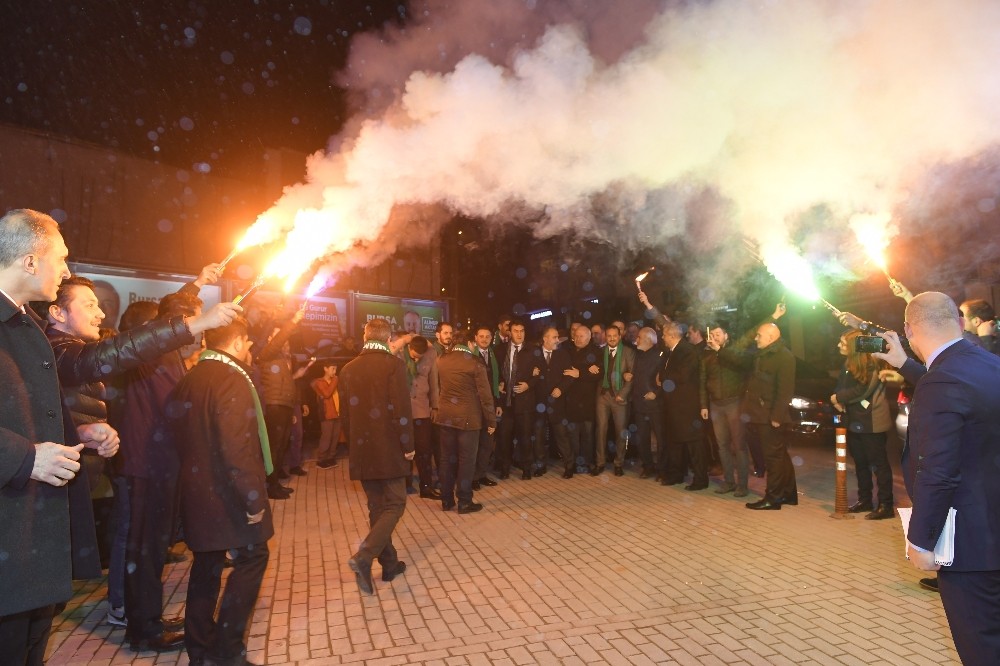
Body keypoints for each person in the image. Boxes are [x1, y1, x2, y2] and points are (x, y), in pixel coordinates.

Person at [884, 292, 1000, 664]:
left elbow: (937, 470)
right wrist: (904, 364)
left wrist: (921, 540)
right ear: (960, 323)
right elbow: (960, 390)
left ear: (908, 330)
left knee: (981, 647)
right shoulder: (988, 364)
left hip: (972, 548)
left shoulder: (941, 382)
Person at [169, 316, 273, 666]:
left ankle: (199, 648)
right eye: (248, 343)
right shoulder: (231, 379)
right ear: (238, 340)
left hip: (198, 490)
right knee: (253, 558)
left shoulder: (191, 377)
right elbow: (237, 446)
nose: (250, 349)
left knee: (207, 565)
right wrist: (253, 498)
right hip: (226, 492)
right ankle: (228, 650)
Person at [338, 318, 415, 595]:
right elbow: (401, 410)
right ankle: (364, 556)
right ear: (388, 337)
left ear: (365, 335)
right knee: (395, 504)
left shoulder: (347, 369)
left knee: (376, 507)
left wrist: (353, 447)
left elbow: (344, 416)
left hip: (363, 450)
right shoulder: (393, 365)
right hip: (390, 447)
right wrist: (408, 444)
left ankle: (390, 564)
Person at [831, 330, 894, 520]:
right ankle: (865, 500)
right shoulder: (849, 364)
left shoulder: (871, 364)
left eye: (842, 343)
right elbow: (842, 386)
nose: (838, 346)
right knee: (860, 463)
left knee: (878, 464)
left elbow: (863, 390)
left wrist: (838, 398)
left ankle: (886, 505)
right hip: (856, 420)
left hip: (872, 420)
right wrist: (837, 397)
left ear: (853, 347)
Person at [433, 329, 495, 513]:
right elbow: (485, 396)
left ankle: (446, 500)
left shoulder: (441, 360)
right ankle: (464, 501)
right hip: (469, 419)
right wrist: (491, 421)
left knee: (446, 460)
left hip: (445, 418)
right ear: (470, 343)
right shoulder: (476, 363)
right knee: (466, 461)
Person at [742, 306, 797, 510]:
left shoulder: (784, 356)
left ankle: (773, 498)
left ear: (772, 337)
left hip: (770, 416)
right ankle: (788, 494)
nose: (756, 338)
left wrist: (776, 416)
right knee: (780, 456)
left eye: (759, 335)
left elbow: (785, 390)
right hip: (760, 414)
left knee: (773, 458)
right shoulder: (763, 354)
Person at [701, 323, 751, 496]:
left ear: (726, 336)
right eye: (712, 335)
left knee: (739, 445)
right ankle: (729, 481)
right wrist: (703, 405)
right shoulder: (706, 356)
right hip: (716, 405)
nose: (714, 337)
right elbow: (703, 382)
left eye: (718, 334)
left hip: (734, 403)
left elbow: (741, 363)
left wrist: (720, 351)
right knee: (722, 445)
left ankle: (743, 484)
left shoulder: (734, 351)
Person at [658, 321, 705, 489]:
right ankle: (676, 474)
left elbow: (683, 375)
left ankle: (701, 479)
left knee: (694, 443)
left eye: (664, 335)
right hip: (672, 404)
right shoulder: (669, 352)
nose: (662, 337)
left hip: (686, 405)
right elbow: (663, 374)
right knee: (674, 441)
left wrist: (664, 378)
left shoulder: (687, 351)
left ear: (672, 335)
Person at [496, 320, 541, 479]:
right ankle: (504, 469)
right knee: (504, 437)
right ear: (510, 332)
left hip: (525, 401)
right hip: (506, 402)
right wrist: (500, 382)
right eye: (516, 331)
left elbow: (540, 374)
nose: (519, 334)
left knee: (525, 437)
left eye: (522, 330)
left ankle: (527, 469)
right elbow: (497, 373)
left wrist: (528, 384)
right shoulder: (500, 351)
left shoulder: (533, 350)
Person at [593, 324, 636, 476]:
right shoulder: (600, 352)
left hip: (620, 396)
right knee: (601, 430)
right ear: (606, 336)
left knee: (620, 431)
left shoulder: (628, 352)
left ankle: (619, 463)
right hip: (603, 395)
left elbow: (631, 376)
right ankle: (600, 463)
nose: (611, 338)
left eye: (614, 336)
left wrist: (622, 394)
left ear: (620, 336)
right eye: (609, 336)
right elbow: (595, 370)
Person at [401, 335, 440, 498]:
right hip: (403, 411)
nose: (416, 360)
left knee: (424, 450)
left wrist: (435, 406)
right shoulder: (399, 353)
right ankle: (405, 484)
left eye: (419, 357)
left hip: (422, 410)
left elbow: (434, 382)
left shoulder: (431, 354)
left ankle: (426, 487)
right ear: (409, 348)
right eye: (414, 356)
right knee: (404, 450)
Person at [534, 326, 573, 477]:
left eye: (558, 337)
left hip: (557, 403)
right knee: (539, 436)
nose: (558, 340)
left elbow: (569, 376)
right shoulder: (534, 354)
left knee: (562, 435)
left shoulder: (563, 354)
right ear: (545, 339)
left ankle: (569, 465)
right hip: (539, 403)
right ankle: (540, 465)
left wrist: (561, 389)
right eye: (554, 337)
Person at [563, 325, 602, 475]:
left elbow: (597, 374)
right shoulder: (568, 351)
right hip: (571, 400)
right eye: (576, 336)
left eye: (581, 336)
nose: (577, 339)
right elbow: (566, 370)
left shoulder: (596, 352)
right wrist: (586, 369)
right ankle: (571, 465)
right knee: (572, 436)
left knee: (588, 436)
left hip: (588, 402)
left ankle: (590, 463)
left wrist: (579, 372)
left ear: (588, 337)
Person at [631, 327, 666, 479]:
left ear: (647, 340)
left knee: (661, 438)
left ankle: (662, 468)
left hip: (655, 405)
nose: (636, 340)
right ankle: (648, 466)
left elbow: (665, 379)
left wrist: (656, 393)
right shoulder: (637, 355)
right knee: (642, 438)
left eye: (639, 337)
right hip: (639, 404)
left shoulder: (660, 356)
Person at [471, 325, 501, 489]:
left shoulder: (493, 355)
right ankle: (472, 478)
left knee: (487, 443)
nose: (484, 339)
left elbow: (495, 383)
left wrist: (498, 404)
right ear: (475, 338)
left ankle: (481, 474)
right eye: (481, 336)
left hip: (490, 406)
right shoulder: (470, 356)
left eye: (487, 336)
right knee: (474, 445)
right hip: (475, 407)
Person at [310, 361, 341, 469]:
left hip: (337, 413)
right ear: (325, 369)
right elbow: (327, 393)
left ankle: (330, 458)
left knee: (335, 437)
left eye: (336, 369)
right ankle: (321, 459)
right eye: (332, 368)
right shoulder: (320, 382)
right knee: (327, 437)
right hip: (327, 413)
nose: (335, 371)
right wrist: (336, 380)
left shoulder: (334, 381)